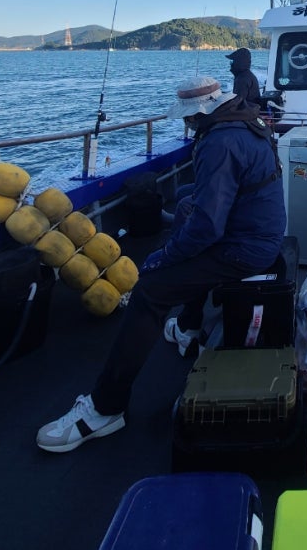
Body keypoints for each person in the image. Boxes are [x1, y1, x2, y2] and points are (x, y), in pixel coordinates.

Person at [36, 76, 286, 453]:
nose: (186, 123)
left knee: (151, 291)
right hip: (258, 230)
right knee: (185, 203)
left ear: (197, 115)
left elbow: (208, 229)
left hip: (245, 247)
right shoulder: (245, 120)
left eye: (187, 117)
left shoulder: (219, 142)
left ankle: (105, 409)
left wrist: (162, 258)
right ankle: (188, 327)